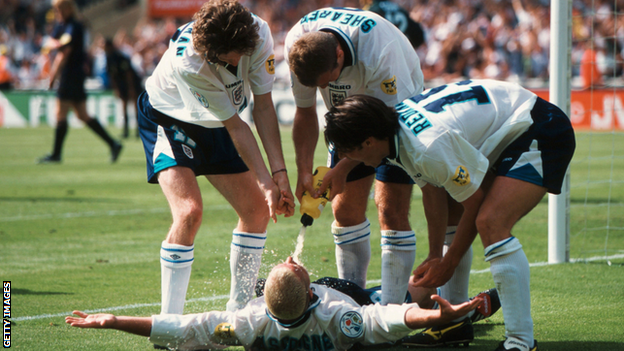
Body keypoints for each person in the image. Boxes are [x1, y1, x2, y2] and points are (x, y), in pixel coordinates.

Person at [323, 79, 576, 351]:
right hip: (509, 126)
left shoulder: (426, 147)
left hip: (537, 127)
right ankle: (452, 324)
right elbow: (433, 191)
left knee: (491, 222)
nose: (349, 158)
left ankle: (520, 342)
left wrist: (450, 260)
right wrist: (436, 256)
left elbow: (475, 202)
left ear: (369, 142)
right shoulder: (393, 132)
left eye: (348, 152)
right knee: (455, 205)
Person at [136, 0, 295, 318]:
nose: (227, 64)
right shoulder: (191, 63)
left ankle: (239, 312)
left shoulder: (260, 34)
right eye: (219, 60)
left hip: (219, 122)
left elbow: (262, 107)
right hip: (170, 118)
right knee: (189, 212)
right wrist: (265, 181)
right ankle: (169, 324)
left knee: (256, 213)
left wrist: (279, 173)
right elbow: (237, 125)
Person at [284, 6, 426, 308]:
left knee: (390, 210)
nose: (322, 88)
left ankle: (391, 314)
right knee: (344, 211)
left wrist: (343, 167)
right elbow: (305, 111)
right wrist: (304, 171)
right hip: (349, 118)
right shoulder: (297, 43)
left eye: (327, 81)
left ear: (338, 55)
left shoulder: (380, 50)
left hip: (396, 114)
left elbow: (388, 123)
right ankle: (353, 302)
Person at [66, 256, 484, 350]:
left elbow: (183, 327)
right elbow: (385, 318)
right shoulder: (336, 313)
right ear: (309, 291)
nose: (292, 261)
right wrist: (430, 311)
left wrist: (115, 320)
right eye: (298, 269)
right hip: (355, 305)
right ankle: (455, 318)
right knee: (401, 295)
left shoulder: (249, 322)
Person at [38, 0, 122, 164]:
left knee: (60, 113)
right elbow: (48, 43)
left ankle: (56, 154)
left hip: (71, 74)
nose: (58, 13)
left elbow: (64, 52)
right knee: (82, 115)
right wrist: (56, 44)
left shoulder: (74, 26)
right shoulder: (62, 26)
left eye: (60, 9)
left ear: (68, 8)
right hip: (74, 75)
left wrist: (53, 76)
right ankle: (113, 144)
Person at [103, 38, 143, 139]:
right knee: (124, 107)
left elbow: (128, 74)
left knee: (135, 107)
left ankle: (139, 131)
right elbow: (111, 75)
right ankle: (126, 131)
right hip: (122, 84)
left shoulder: (120, 56)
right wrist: (116, 89)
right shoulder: (108, 57)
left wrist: (131, 89)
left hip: (133, 83)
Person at [360, 0, 426, 49]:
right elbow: (419, 36)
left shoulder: (371, 11)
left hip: (383, 55)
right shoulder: (399, 9)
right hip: (401, 54)